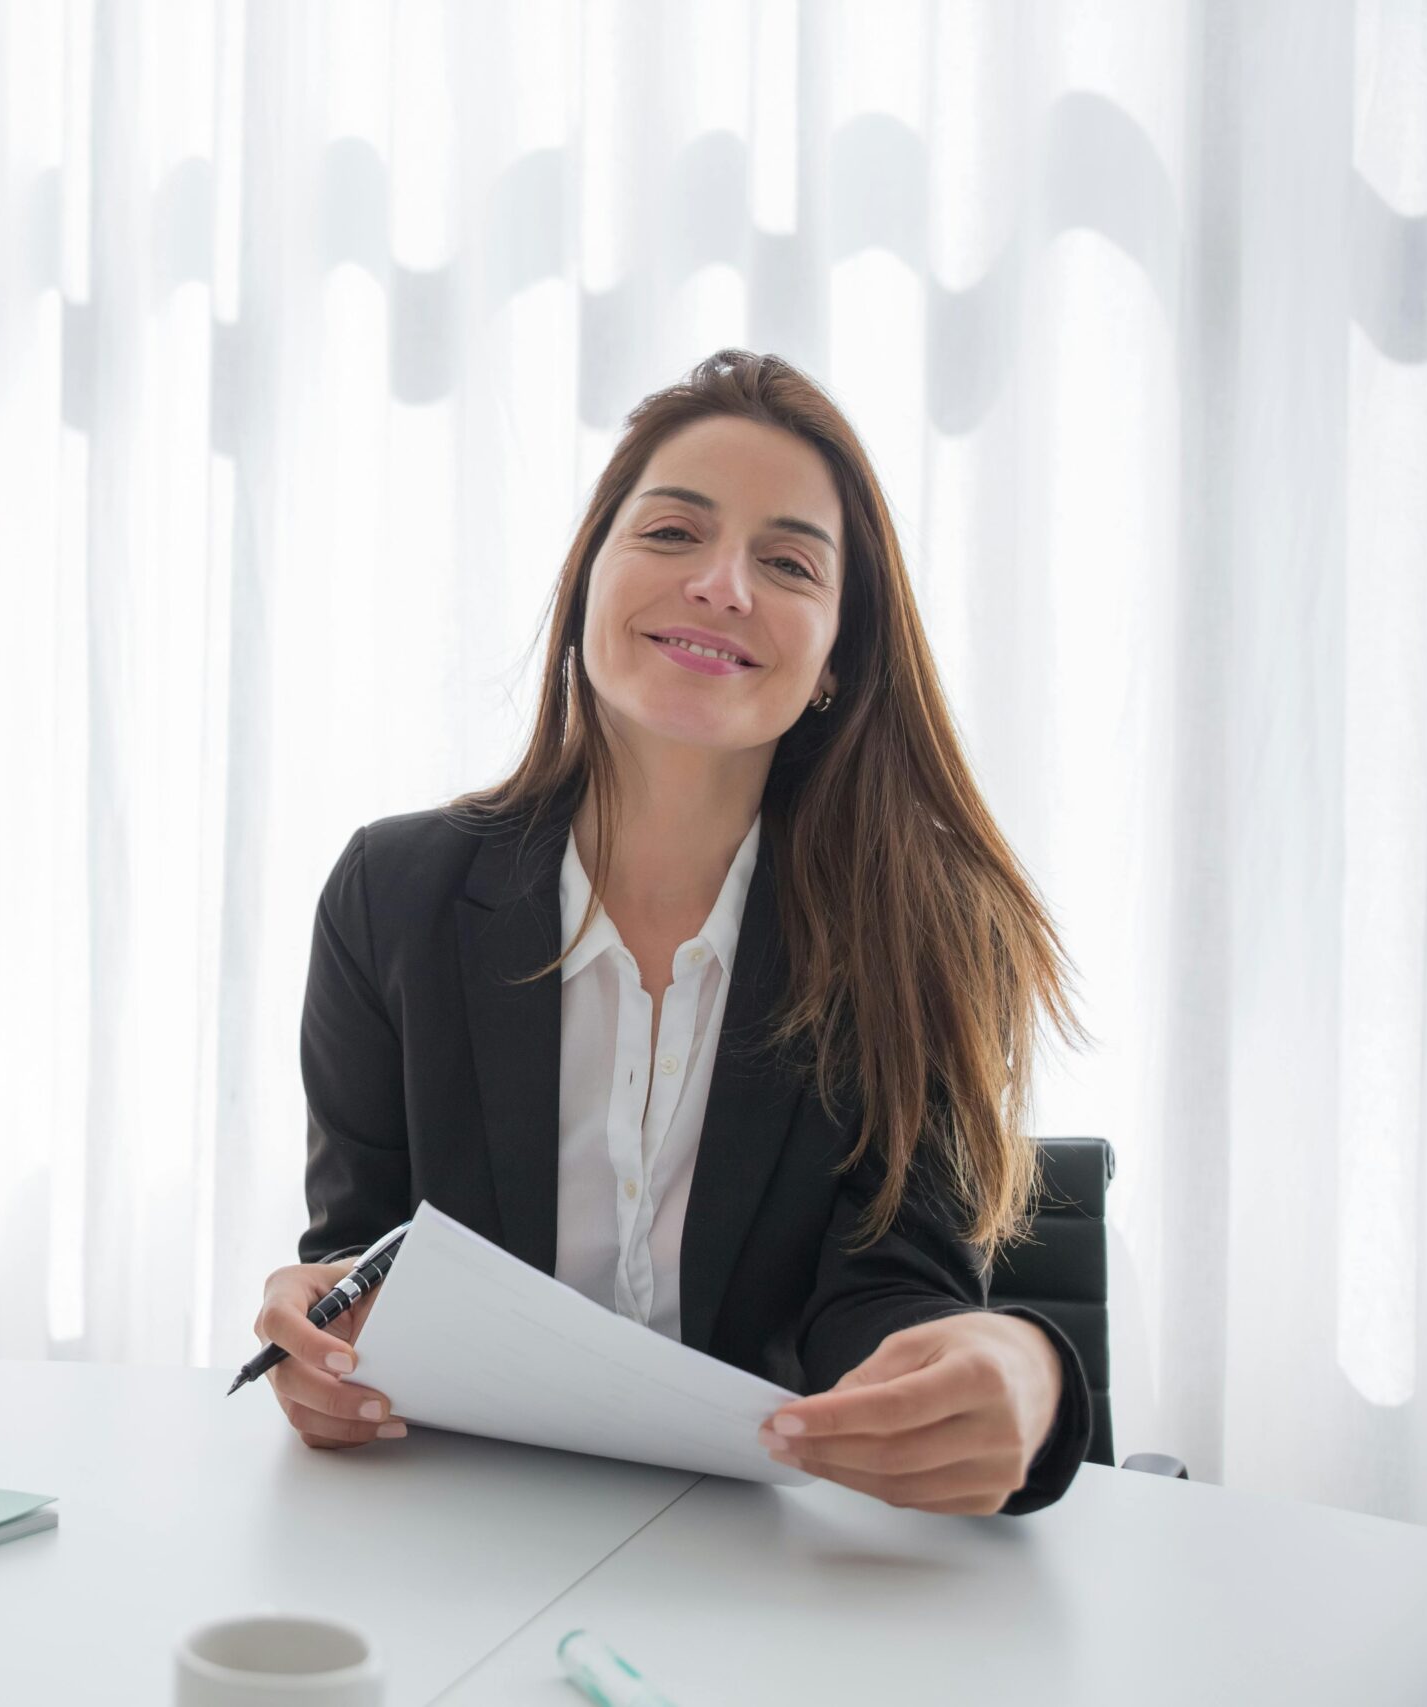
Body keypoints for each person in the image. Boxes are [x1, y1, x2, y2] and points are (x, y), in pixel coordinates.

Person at [252, 350, 1094, 1515]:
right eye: (670, 535)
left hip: (771, 1558)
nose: (721, 586)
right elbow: (368, 1253)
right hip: (458, 1535)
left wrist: (1024, 1369)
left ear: (837, 662)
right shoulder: (390, 895)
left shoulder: (934, 933)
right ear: (585, 584)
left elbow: (893, 1300)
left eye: (787, 561)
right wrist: (329, 1333)